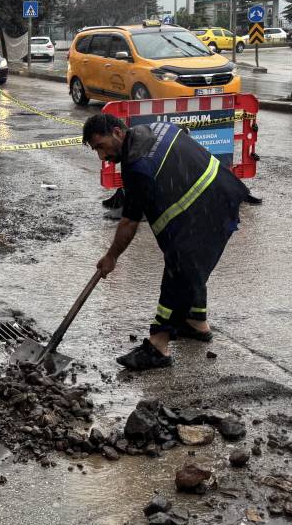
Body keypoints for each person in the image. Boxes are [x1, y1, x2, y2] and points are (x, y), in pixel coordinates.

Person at [83, 113, 249, 371]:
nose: (102, 157)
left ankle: (158, 346)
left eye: (101, 146)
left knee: (179, 270)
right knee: (191, 266)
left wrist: (111, 257)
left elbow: (129, 222)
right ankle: (195, 322)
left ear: (117, 132)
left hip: (206, 211)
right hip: (222, 194)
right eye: (96, 150)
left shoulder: (137, 165)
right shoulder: (156, 128)